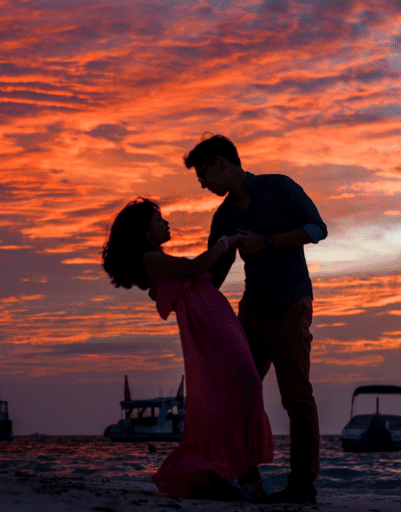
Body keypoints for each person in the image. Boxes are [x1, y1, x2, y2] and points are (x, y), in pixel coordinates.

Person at [183, 134, 327, 504]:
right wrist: (184, 297)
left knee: (296, 396)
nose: (201, 183)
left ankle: (302, 486)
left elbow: (316, 229)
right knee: (235, 391)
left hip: (291, 303)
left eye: (203, 174)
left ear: (222, 163)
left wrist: (266, 241)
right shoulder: (224, 216)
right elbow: (215, 272)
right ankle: (247, 479)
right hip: (252, 309)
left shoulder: (278, 187)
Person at [102, 197, 273, 501]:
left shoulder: (157, 258)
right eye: (158, 220)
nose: (165, 224)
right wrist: (227, 241)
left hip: (214, 322)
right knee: (242, 388)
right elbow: (196, 265)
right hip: (207, 329)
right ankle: (244, 478)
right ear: (145, 232)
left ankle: (238, 476)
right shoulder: (150, 259)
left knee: (243, 389)